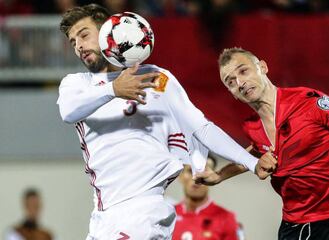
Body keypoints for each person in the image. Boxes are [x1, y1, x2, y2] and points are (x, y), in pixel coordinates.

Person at [57, 5, 276, 240]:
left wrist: (251, 163)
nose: (79, 46)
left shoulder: (156, 79)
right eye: (73, 42)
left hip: (142, 212)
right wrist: (114, 89)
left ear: (107, 33)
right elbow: (68, 112)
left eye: (84, 35)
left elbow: (202, 128)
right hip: (103, 215)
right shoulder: (77, 84)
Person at [195, 47, 329, 240]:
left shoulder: (312, 102)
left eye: (243, 71)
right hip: (295, 227)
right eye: (231, 82)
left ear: (263, 67)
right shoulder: (252, 127)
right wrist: (220, 175)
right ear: (233, 94)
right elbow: (256, 153)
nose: (240, 82)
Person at [173, 156, 244, 240]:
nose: (197, 177)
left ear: (212, 177)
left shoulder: (226, 218)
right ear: (180, 176)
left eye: (204, 171)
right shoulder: (167, 214)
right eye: (190, 171)